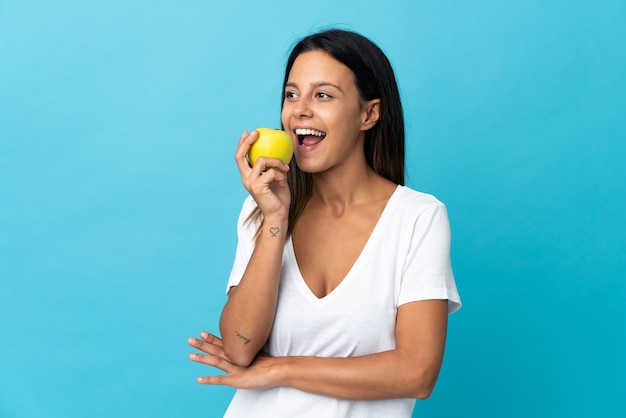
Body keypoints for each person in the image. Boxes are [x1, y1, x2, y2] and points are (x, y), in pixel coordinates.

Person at [188, 28, 461, 417]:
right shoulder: (262, 212)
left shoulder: (418, 218)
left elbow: (416, 373)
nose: (299, 110)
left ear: (369, 114)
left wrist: (280, 369)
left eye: (323, 95)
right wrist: (275, 219)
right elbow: (239, 347)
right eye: (291, 94)